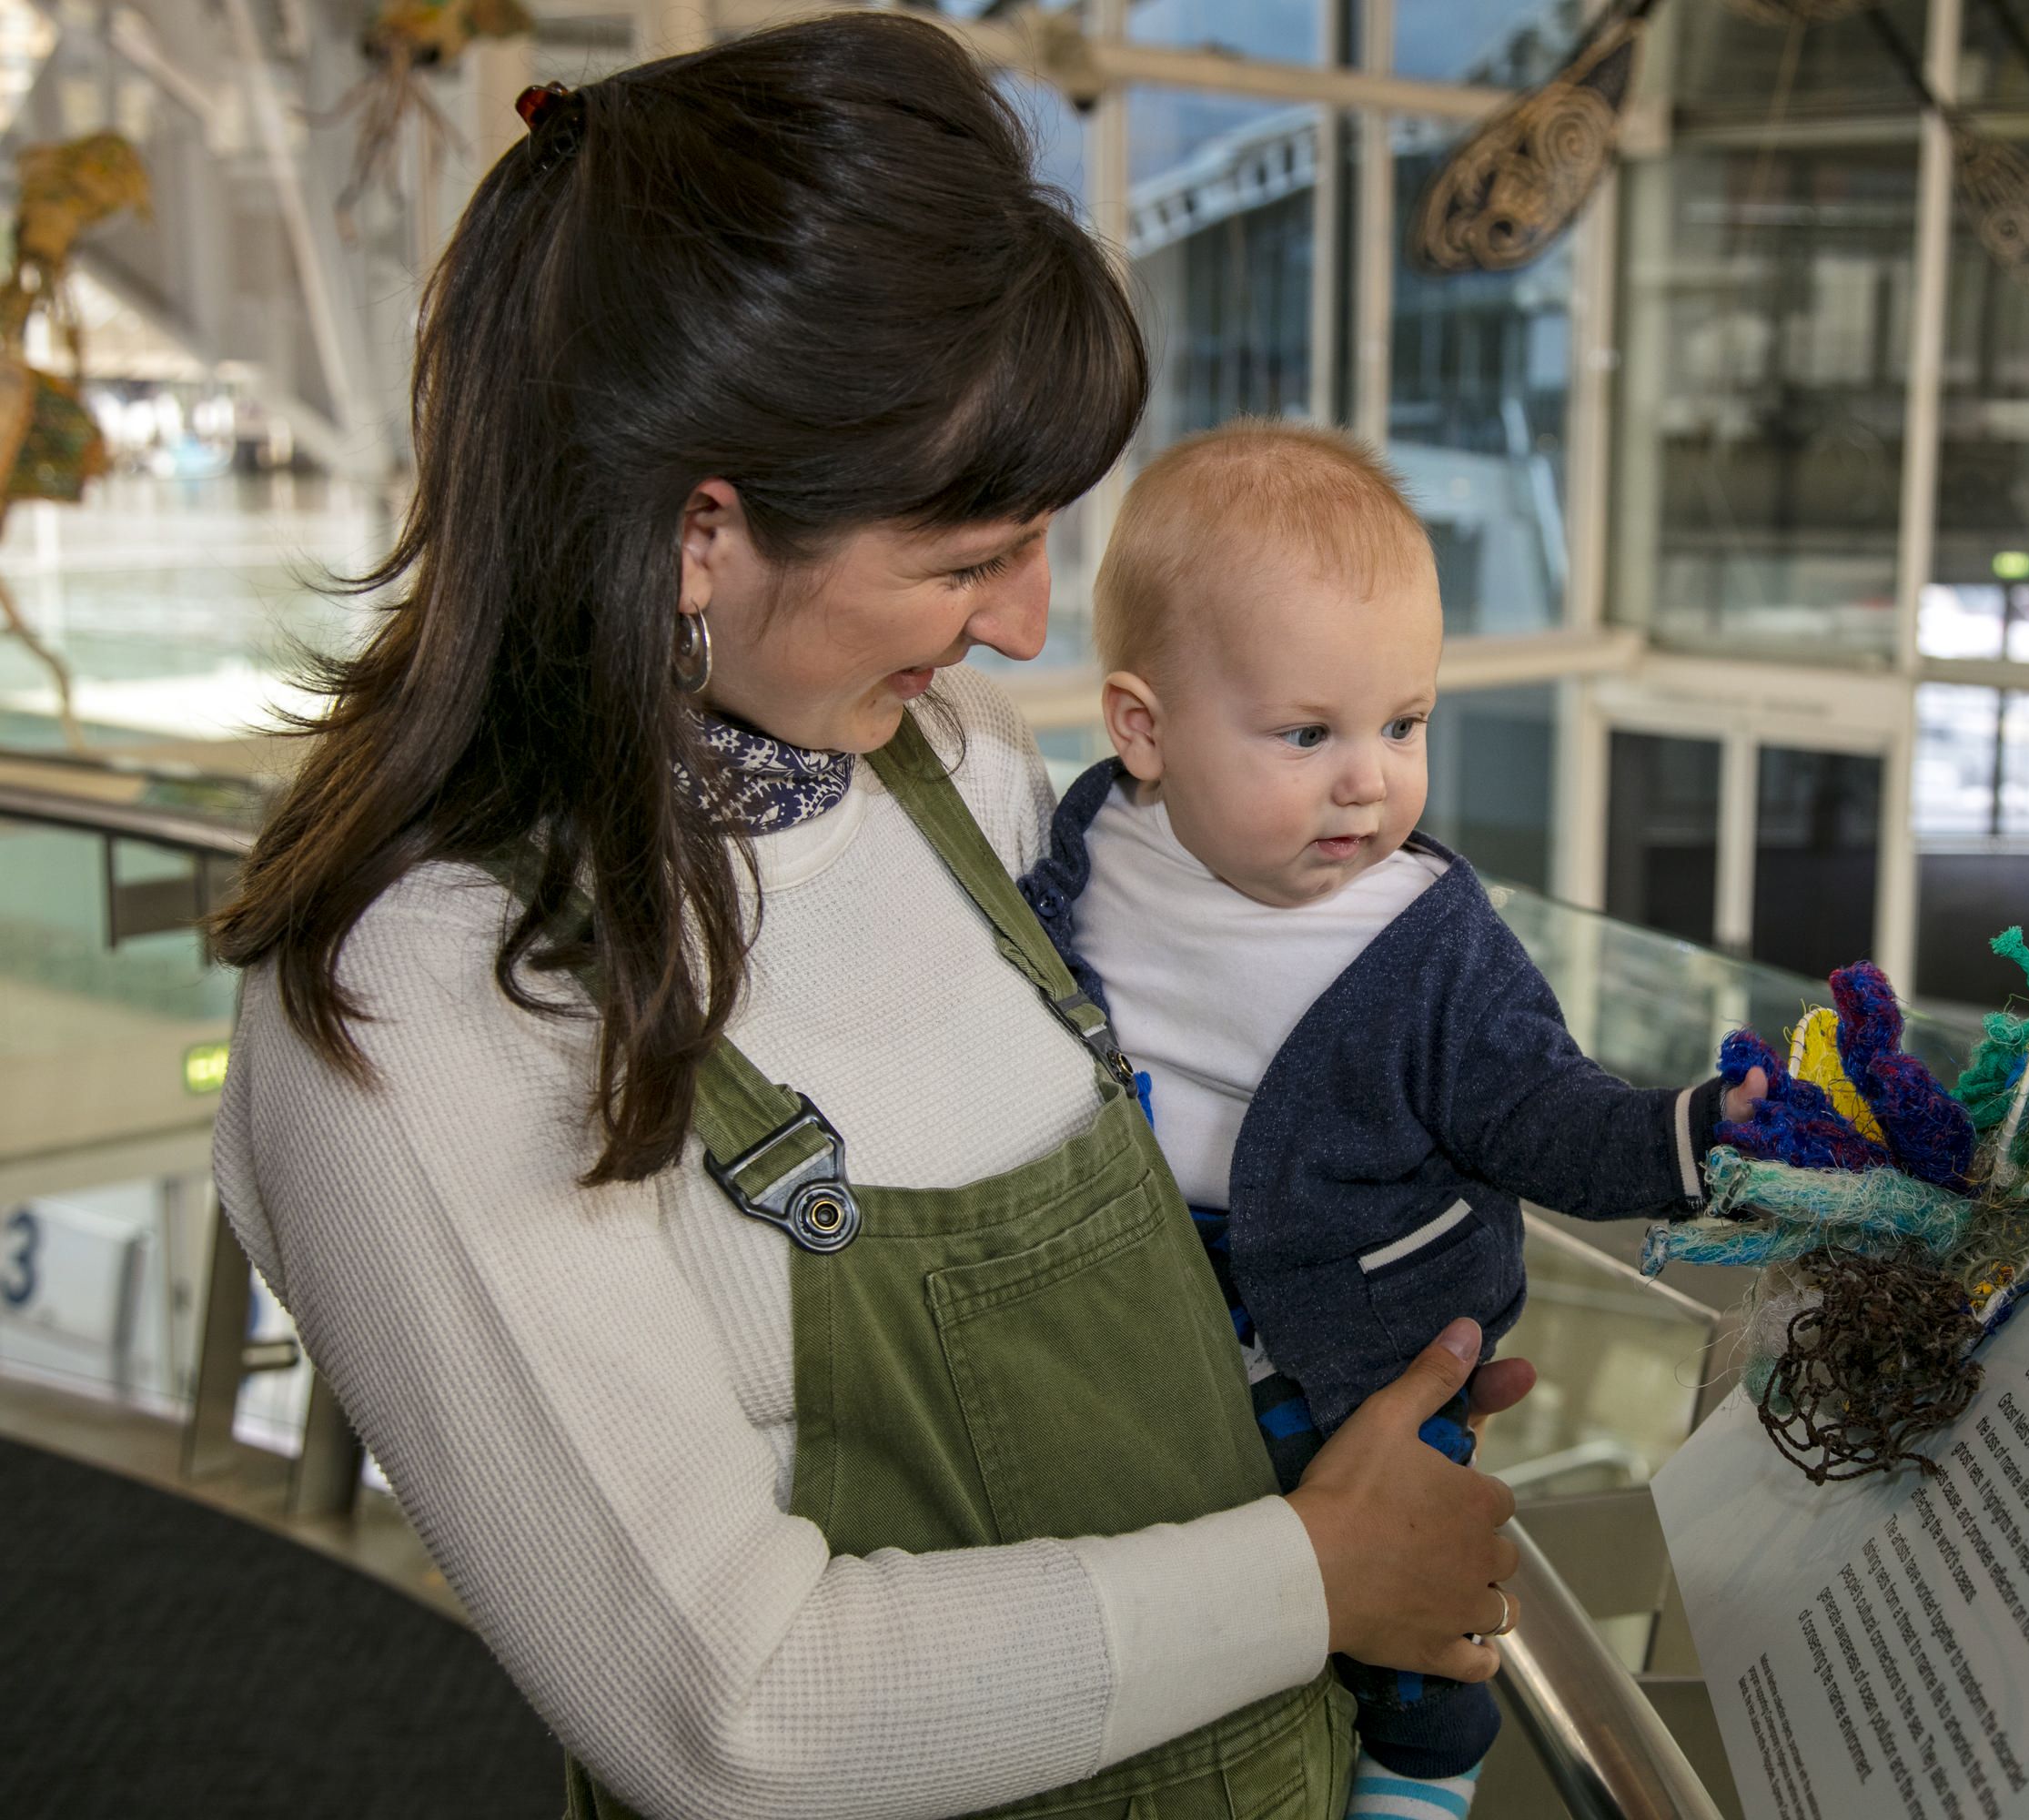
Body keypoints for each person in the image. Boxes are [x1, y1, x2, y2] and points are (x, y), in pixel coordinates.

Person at [207, 19, 1528, 1820]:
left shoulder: (954, 769)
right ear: (699, 537)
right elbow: (732, 1714)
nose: (1025, 629)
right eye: (967, 556)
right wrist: (1316, 1572)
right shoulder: (411, 1013)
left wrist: (1328, 1348)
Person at [1018, 421, 1770, 1815]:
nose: (1368, 779)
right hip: (1141, 1292)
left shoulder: (1427, 938)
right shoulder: (1087, 849)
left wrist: (1696, 1133)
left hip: (1370, 1333)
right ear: (1143, 730)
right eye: (1307, 734)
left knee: (1417, 1600)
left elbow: (1546, 1112)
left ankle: (1424, 1782)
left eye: (1404, 724)